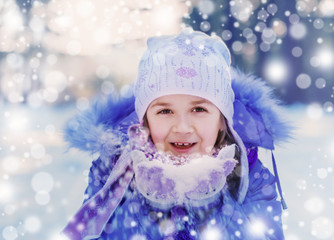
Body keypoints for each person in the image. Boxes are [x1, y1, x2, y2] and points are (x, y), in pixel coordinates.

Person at [62, 29, 291, 240]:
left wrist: (207, 203)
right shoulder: (113, 173)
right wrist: (153, 203)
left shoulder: (251, 176)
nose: (182, 126)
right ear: (145, 121)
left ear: (223, 121)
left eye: (199, 109)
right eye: (165, 111)